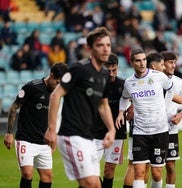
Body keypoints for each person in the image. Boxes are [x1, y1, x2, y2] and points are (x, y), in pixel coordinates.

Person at [117, 49, 182, 188]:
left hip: (160, 131)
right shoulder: (129, 83)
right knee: (139, 172)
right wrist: (121, 112)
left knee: (157, 173)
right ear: (132, 62)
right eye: (138, 60)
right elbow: (124, 98)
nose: (142, 63)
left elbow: (173, 92)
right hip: (140, 132)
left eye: (144, 60)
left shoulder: (159, 77)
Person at [43, 27, 116, 188]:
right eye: (100, 45)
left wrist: (111, 130)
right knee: (90, 183)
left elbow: (103, 105)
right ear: (90, 48)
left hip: (89, 137)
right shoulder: (79, 69)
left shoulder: (104, 74)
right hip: (71, 134)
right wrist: (51, 129)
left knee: (96, 184)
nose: (105, 49)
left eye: (108, 45)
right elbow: (55, 95)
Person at [3, 63, 68, 188]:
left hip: (44, 142)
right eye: (58, 82)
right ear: (51, 76)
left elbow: (54, 115)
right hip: (25, 139)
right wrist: (9, 133)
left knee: (47, 177)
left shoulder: (58, 93)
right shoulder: (32, 87)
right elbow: (14, 107)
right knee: (27, 174)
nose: (59, 86)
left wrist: (53, 135)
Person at [94, 53, 127, 188]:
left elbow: (134, 99)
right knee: (91, 169)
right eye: (109, 70)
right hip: (96, 131)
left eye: (114, 70)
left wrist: (131, 109)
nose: (112, 74)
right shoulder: (96, 84)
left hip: (117, 132)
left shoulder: (124, 84)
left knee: (109, 170)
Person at [160, 51, 182, 188]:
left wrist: (180, 116)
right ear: (162, 64)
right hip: (154, 129)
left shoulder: (180, 82)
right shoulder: (155, 81)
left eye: (174, 62)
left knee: (171, 166)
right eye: (170, 62)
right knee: (154, 168)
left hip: (171, 130)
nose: (173, 65)